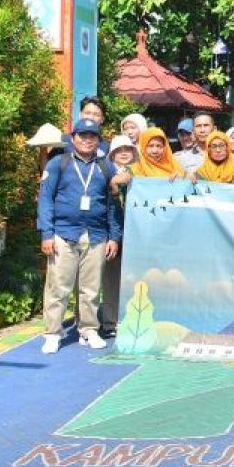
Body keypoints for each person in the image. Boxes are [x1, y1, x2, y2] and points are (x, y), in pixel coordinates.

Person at [36, 118, 121, 354]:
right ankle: (53, 334)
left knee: (91, 289)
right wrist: (46, 233)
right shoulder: (57, 163)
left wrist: (114, 236)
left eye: (92, 136)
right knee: (57, 288)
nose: (87, 139)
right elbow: (45, 199)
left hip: (96, 235)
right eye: (82, 135)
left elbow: (113, 204)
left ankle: (89, 330)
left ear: (98, 140)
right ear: (73, 138)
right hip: (63, 234)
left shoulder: (106, 167)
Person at [101, 136, 137, 338]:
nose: (124, 152)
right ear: (112, 153)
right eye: (119, 149)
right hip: (113, 233)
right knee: (111, 279)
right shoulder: (104, 171)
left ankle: (131, 320)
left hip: (138, 236)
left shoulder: (141, 172)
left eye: (128, 149)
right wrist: (113, 184)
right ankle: (110, 321)